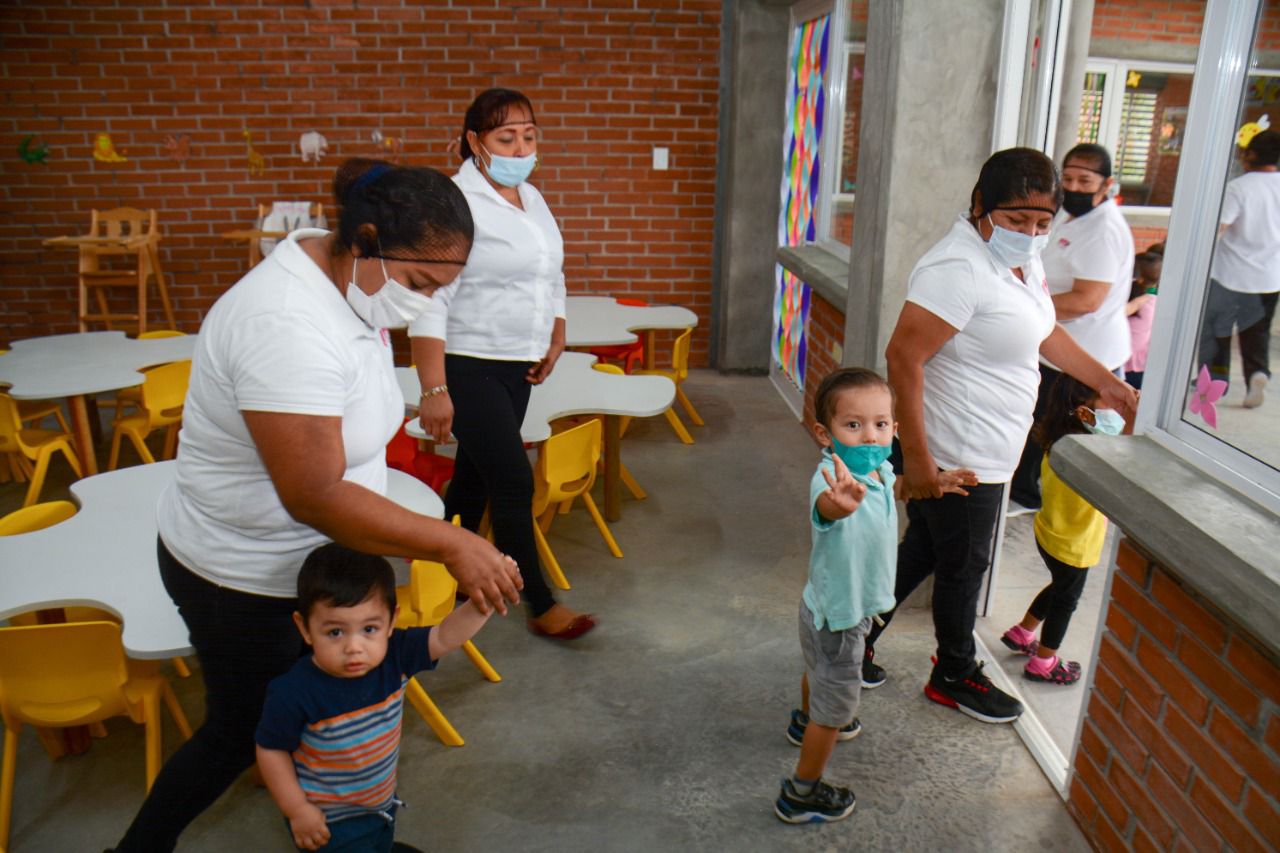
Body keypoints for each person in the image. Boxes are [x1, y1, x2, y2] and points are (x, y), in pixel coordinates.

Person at [111, 160, 523, 852]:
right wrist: (452, 542)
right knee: (242, 729)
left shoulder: (351, 282)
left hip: (310, 564)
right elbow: (313, 492)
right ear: (364, 240)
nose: (423, 304)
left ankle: (335, 827)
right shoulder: (283, 322)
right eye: (420, 284)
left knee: (318, 709)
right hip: (240, 573)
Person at [867, 147, 1137, 724]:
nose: (1030, 233)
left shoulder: (1022, 259)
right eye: (1017, 221)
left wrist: (1106, 384)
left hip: (990, 447)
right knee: (964, 568)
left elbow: (1042, 331)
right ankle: (954, 672)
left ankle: (854, 637)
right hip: (956, 453)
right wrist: (918, 460)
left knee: (926, 552)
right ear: (980, 205)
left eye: (1042, 224)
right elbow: (902, 357)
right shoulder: (958, 268)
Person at [409, 88, 594, 640]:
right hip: (468, 363)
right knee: (513, 480)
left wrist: (556, 329)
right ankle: (539, 602)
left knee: (474, 476)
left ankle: (444, 566)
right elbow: (428, 298)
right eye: (505, 137)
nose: (521, 147)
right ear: (474, 142)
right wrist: (433, 388)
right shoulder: (454, 204)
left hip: (520, 364)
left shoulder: (531, 198)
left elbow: (550, 272)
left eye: (529, 136)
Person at [774, 368, 975, 824]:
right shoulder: (831, 478)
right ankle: (802, 792)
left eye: (881, 424)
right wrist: (837, 504)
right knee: (836, 706)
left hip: (827, 605)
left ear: (895, 428)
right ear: (825, 433)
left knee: (818, 670)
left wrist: (934, 484)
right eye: (854, 425)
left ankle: (806, 719)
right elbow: (826, 508)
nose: (870, 436)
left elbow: (895, 487)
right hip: (841, 618)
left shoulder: (879, 468)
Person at [256, 544, 491, 852]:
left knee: (380, 841)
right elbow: (271, 751)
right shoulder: (293, 692)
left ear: (391, 622)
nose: (355, 647)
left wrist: (483, 602)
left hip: (380, 805)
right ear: (305, 628)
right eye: (335, 632)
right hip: (330, 823)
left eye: (369, 628)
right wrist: (297, 809)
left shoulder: (396, 656)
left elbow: (445, 635)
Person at [1009, 143, 1135, 512]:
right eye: (1068, 178)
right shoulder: (1067, 213)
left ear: (1107, 183)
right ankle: (1027, 493)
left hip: (1084, 351)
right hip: (1057, 345)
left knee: (1068, 433)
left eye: (1085, 180)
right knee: (1039, 422)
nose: (1075, 187)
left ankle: (1053, 505)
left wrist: (1025, 305)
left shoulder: (1105, 229)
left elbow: (1087, 300)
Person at [1000, 375, 1125, 685]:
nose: (1117, 413)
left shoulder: (1060, 442)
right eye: (1110, 405)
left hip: (1050, 534)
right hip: (1074, 543)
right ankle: (1044, 662)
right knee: (1066, 600)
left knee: (1059, 587)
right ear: (1084, 414)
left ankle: (1023, 632)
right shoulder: (1090, 454)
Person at [1200, 128, 1280, 408]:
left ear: (1250, 155)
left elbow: (1219, 228)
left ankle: (1214, 387)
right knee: (1257, 332)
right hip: (1269, 277)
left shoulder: (1240, 188)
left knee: (1217, 332)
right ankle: (1257, 374)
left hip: (1229, 276)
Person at [1124, 248, 1163, 390]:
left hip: (1130, 367)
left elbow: (1115, 313)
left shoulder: (1144, 302)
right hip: (1141, 365)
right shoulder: (1156, 300)